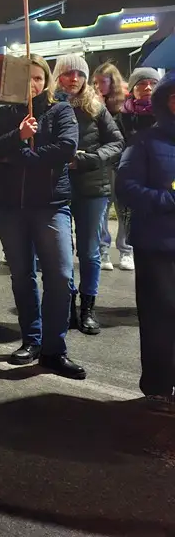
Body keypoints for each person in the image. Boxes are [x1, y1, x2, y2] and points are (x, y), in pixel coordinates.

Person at [0, 55, 86, 379]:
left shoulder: (60, 111)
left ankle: (54, 349)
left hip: (51, 204)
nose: (32, 84)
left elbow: (66, 148)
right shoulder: (2, 114)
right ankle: (32, 341)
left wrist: (21, 157)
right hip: (8, 206)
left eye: (38, 78)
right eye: (25, 78)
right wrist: (17, 136)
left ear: (46, 80)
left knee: (60, 276)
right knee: (22, 275)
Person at [116, 70, 175, 414]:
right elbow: (126, 188)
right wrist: (168, 199)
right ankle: (157, 387)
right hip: (157, 244)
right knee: (159, 317)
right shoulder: (144, 141)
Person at [52, 54, 124, 335]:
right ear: (57, 76)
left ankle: (88, 309)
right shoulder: (47, 105)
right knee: (61, 253)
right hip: (54, 187)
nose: (75, 79)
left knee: (90, 251)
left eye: (80, 74)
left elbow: (116, 142)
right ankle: (67, 306)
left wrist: (88, 159)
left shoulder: (96, 106)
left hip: (92, 187)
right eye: (68, 73)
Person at [114, 67, 161, 272]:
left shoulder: (166, 114)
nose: (147, 88)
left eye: (153, 83)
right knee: (126, 213)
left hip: (160, 173)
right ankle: (126, 250)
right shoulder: (122, 116)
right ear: (132, 89)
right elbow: (116, 143)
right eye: (141, 84)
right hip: (130, 172)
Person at [91, 62, 128, 271]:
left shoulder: (125, 105)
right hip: (102, 163)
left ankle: (125, 250)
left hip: (123, 164)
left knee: (124, 209)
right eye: (95, 83)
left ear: (112, 82)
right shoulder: (93, 104)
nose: (97, 87)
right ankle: (103, 250)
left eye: (102, 82)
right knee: (102, 210)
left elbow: (123, 136)